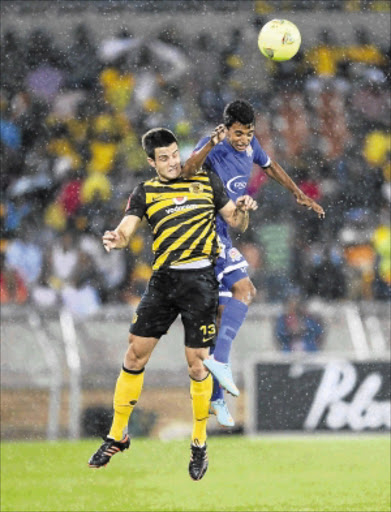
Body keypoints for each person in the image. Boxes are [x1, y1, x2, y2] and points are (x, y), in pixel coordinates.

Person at [88, 125, 257, 481]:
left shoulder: (205, 180)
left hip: (200, 282)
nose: (172, 162)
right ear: (151, 162)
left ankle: (198, 443)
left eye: (175, 155)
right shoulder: (145, 192)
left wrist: (243, 208)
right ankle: (118, 434)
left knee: (198, 366)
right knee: (135, 353)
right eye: (163, 158)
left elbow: (235, 222)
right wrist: (117, 239)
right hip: (164, 282)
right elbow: (127, 229)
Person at [188, 99, 325, 427]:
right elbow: (186, 171)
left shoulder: (251, 145)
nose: (244, 139)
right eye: (238, 133)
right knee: (245, 290)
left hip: (224, 232)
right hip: (203, 233)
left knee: (224, 316)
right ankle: (218, 368)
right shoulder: (213, 147)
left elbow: (270, 165)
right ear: (225, 128)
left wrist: (297, 192)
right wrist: (211, 142)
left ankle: (217, 396)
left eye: (249, 133)